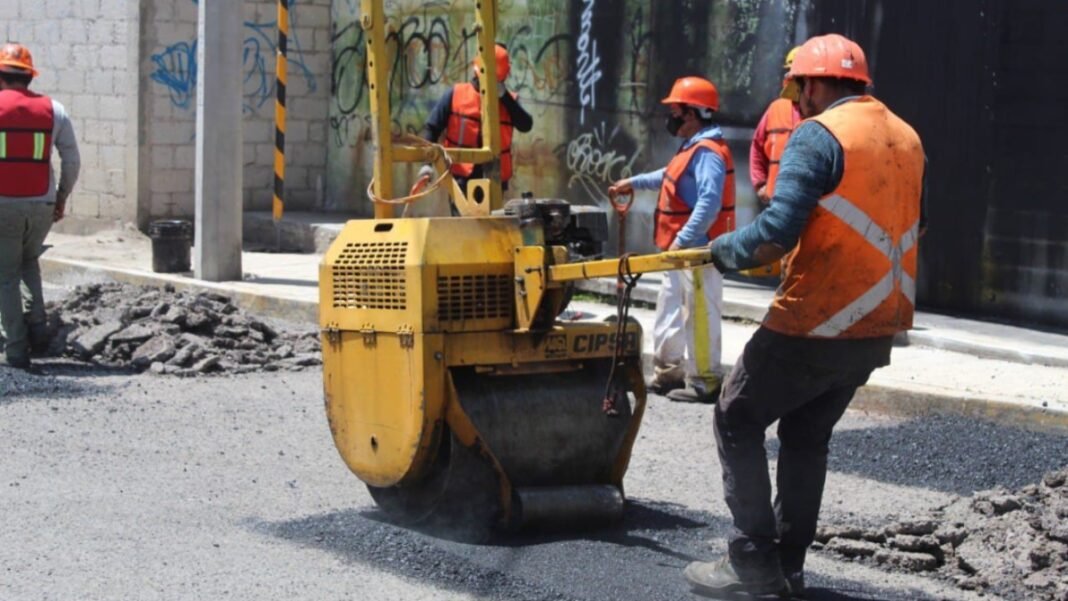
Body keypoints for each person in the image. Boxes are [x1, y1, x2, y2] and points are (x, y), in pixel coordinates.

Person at [681, 34, 925, 598]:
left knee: (737, 416)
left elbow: (773, 233)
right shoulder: (908, 138)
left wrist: (721, 252)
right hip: (876, 325)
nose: (797, 103)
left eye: (799, 91)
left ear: (813, 85)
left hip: (814, 320)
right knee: (806, 435)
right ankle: (787, 566)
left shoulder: (819, 136)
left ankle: (750, 562)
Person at [607, 76, 735, 404]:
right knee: (669, 306)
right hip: (682, 250)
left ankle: (705, 382)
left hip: (698, 250)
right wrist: (632, 183)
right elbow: (668, 176)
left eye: (676, 110)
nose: (672, 117)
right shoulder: (694, 147)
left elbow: (709, 203)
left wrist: (683, 239)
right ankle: (668, 373)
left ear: (692, 113)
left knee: (701, 313)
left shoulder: (708, 153)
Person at [0, 43, 80, 370]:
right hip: (42, 203)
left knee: (5, 276)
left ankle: (17, 352)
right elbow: (72, 160)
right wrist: (60, 197)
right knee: (28, 261)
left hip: (4, 205)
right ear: (30, 77)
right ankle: (38, 329)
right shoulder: (55, 110)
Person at [421, 43, 533, 198]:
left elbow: (526, 125)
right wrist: (426, 164)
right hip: (460, 179)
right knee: (463, 223)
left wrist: (504, 97)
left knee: (491, 222)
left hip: (494, 181)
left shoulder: (510, 102)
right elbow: (431, 128)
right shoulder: (455, 94)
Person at [749, 47, 802, 206]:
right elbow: (757, 147)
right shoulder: (776, 108)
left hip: (808, 206)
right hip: (774, 204)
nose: (791, 78)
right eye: (789, 72)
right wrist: (760, 184)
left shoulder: (824, 112)